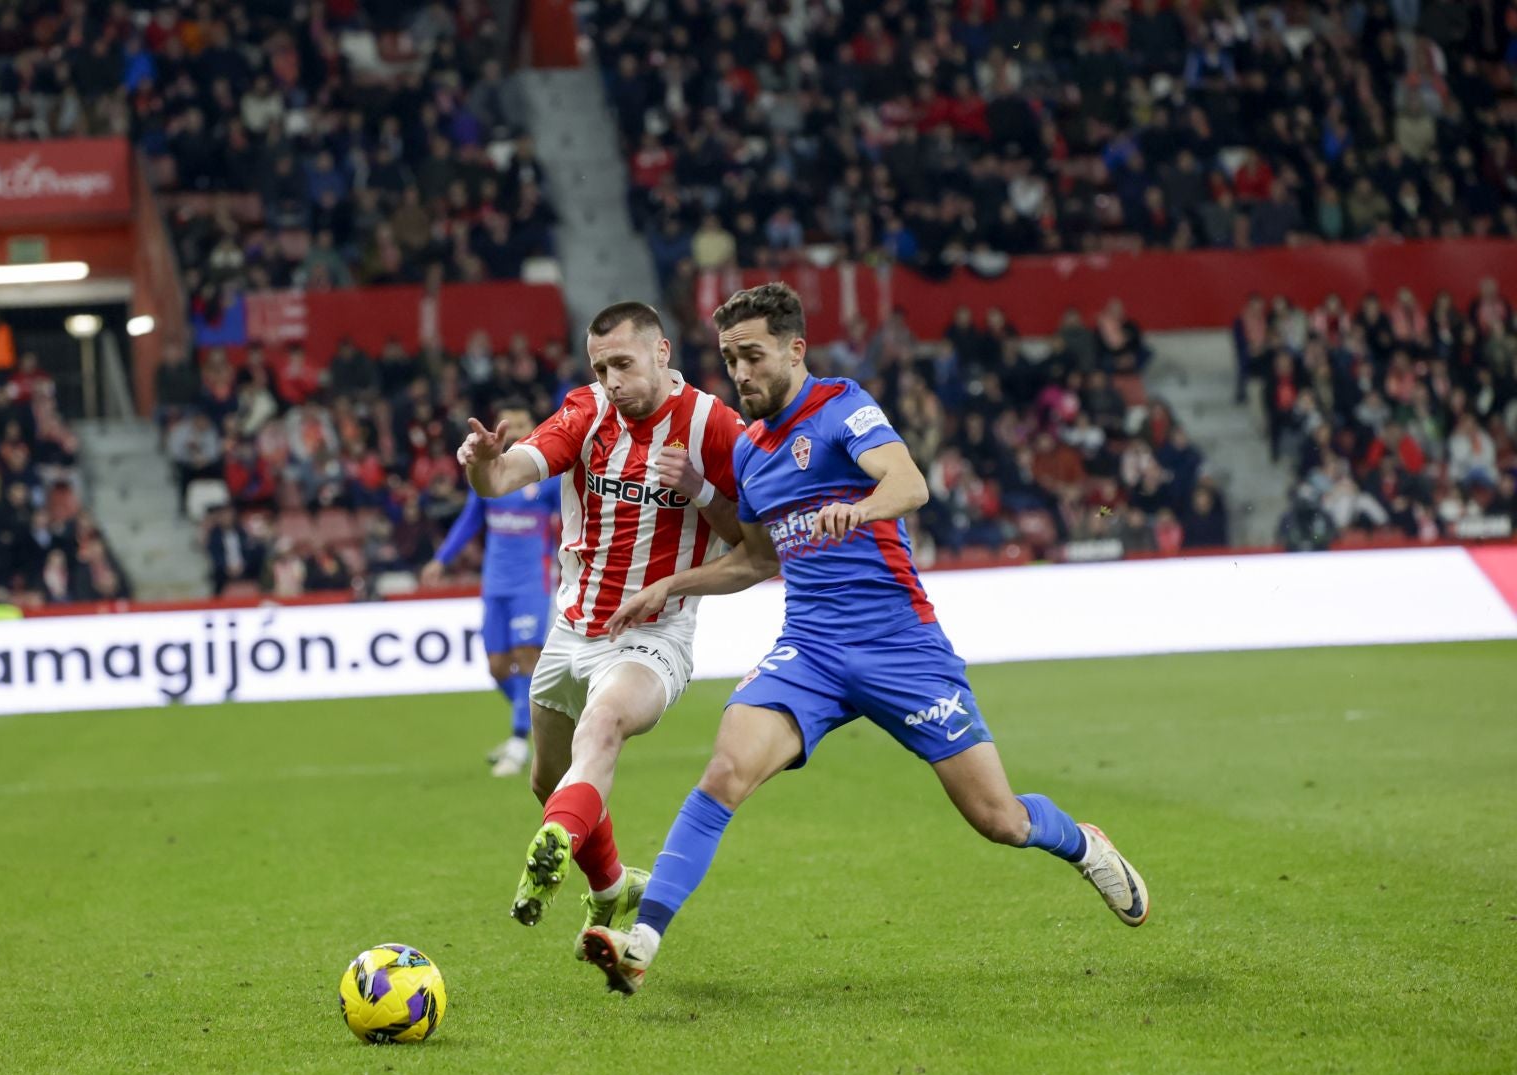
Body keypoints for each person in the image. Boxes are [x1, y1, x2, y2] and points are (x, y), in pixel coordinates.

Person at [582, 283, 1151, 995]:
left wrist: (858, 510)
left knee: (998, 819)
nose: (742, 375)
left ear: (796, 349)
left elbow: (910, 485)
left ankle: (1080, 842)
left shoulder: (842, 405)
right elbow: (757, 560)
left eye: (754, 356)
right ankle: (642, 941)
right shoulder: (753, 453)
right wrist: (676, 584)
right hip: (809, 653)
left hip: (900, 647)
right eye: (730, 360)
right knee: (725, 772)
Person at [455, 300, 747, 960]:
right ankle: (611, 884)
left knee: (603, 726)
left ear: (661, 353)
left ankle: (549, 850)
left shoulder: (712, 425)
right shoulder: (587, 412)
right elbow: (503, 476)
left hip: (653, 639)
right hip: (572, 627)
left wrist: (700, 489)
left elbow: (752, 543)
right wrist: (479, 461)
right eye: (601, 366)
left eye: (623, 363)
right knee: (548, 778)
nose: (613, 380)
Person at [422, 403, 564, 777]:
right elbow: (470, 521)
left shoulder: (546, 479)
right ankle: (535, 720)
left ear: (533, 427)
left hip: (531, 581)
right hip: (495, 582)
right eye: (509, 424)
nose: (515, 430)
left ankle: (519, 742)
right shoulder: (488, 475)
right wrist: (441, 559)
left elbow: (571, 518)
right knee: (498, 666)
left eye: (521, 423)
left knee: (527, 658)